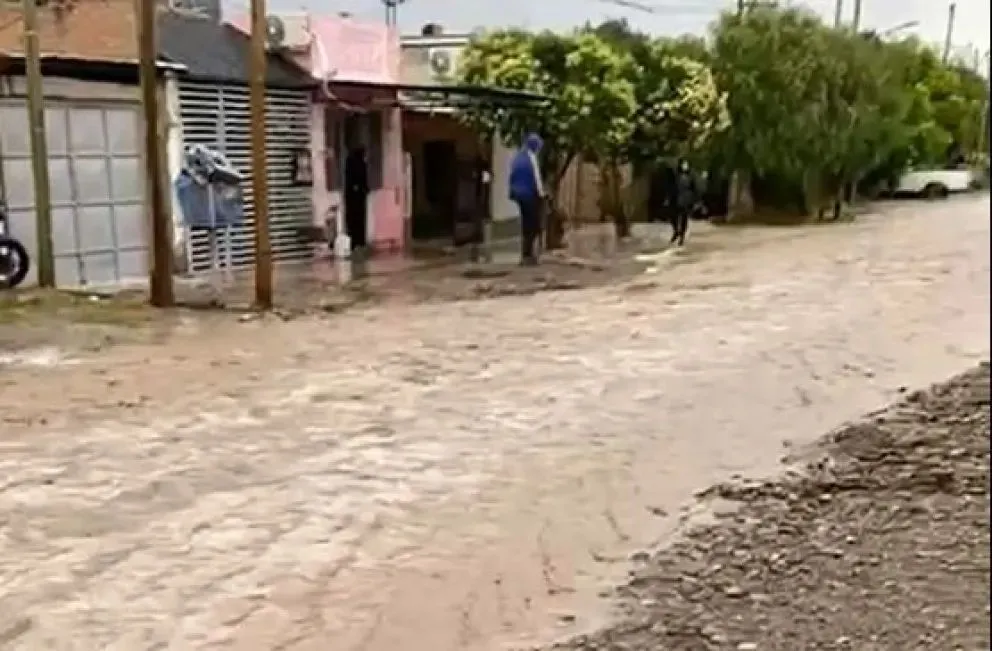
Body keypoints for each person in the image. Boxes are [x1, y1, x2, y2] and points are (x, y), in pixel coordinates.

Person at [508, 133, 546, 265]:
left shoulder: (518, 157)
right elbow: (536, 178)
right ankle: (528, 255)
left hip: (518, 195)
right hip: (529, 194)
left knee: (526, 224)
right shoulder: (531, 157)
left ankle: (526, 254)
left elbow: (512, 176)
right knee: (533, 225)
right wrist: (541, 194)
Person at [344, 146, 369, 250]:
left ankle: (356, 240)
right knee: (357, 219)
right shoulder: (359, 164)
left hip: (354, 196)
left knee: (354, 220)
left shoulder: (352, 163)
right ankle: (357, 240)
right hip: (357, 197)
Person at [671, 158, 697, 247]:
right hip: (677, 198)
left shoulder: (690, 176)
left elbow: (694, 188)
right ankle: (676, 231)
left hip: (686, 199)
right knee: (673, 216)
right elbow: (672, 187)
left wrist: (693, 200)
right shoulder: (676, 176)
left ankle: (682, 236)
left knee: (684, 219)